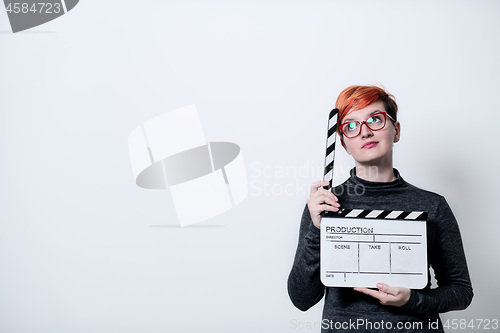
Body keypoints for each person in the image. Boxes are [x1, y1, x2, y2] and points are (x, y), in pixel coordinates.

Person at [287, 85, 473, 332]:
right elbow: (301, 299)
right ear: (342, 144)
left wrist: (413, 300)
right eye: (351, 126)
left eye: (375, 119)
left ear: (396, 131)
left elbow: (461, 290)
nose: (364, 132)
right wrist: (316, 229)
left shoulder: (433, 206)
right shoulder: (324, 205)